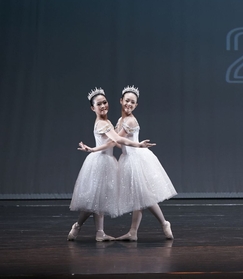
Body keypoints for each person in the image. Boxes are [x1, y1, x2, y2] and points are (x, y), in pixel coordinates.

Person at [68, 88, 155, 241]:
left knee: (99, 199)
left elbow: (112, 143)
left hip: (106, 160)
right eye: (99, 104)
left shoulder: (107, 122)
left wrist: (94, 149)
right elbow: (117, 139)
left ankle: (99, 232)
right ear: (93, 108)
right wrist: (138, 145)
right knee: (94, 199)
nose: (103, 106)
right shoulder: (102, 123)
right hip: (101, 162)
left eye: (105, 102)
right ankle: (78, 226)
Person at [112, 85, 176, 241]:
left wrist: (105, 133)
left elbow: (116, 139)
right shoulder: (121, 120)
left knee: (144, 195)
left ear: (136, 105)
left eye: (132, 102)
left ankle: (164, 223)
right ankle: (133, 232)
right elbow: (119, 144)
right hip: (128, 158)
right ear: (121, 101)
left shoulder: (130, 121)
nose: (129, 104)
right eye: (127, 100)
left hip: (136, 159)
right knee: (138, 197)